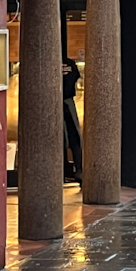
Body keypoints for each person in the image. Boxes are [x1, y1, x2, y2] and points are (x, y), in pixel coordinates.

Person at [62, 55, 83, 184]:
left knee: (72, 136)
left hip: (64, 100)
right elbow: (75, 77)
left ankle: (78, 168)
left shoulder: (46, 60)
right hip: (68, 100)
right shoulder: (70, 64)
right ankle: (79, 169)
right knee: (73, 136)